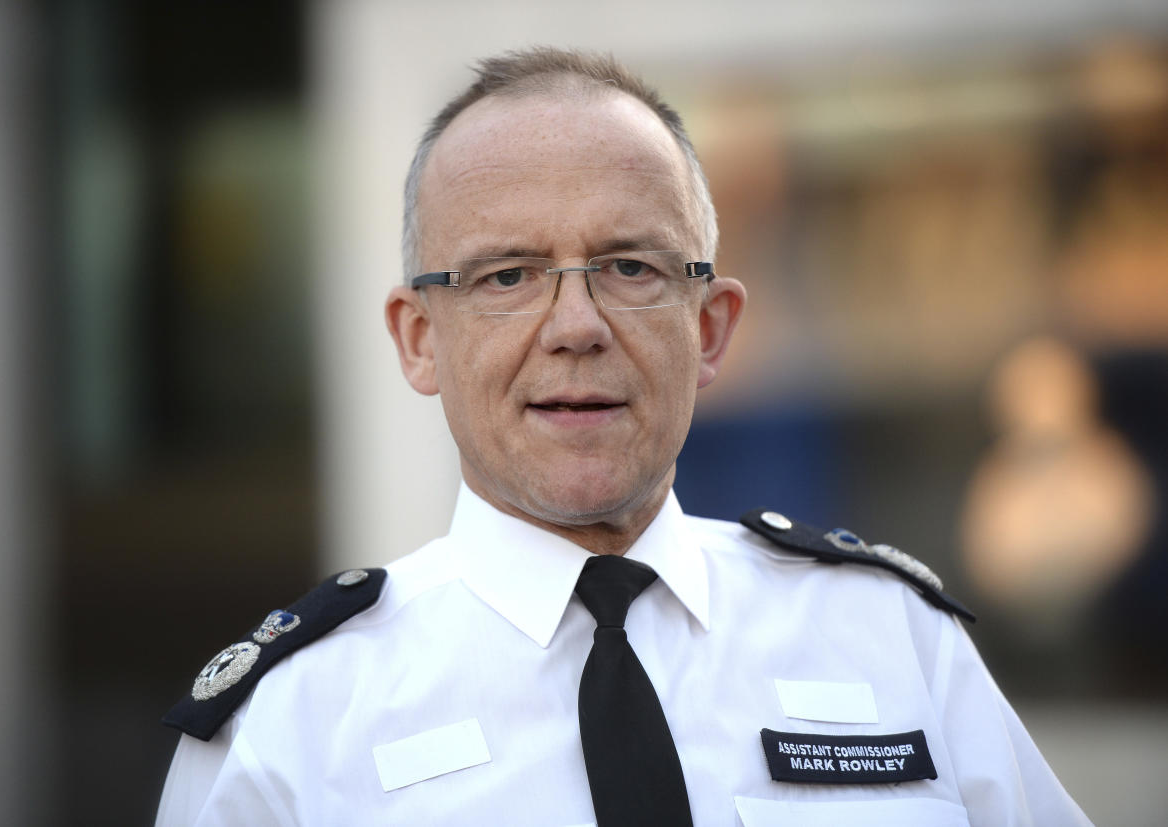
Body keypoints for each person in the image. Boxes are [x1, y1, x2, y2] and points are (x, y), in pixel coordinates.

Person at [155, 47, 1089, 826]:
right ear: (418, 338)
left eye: (630, 265)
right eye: (508, 276)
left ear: (711, 327)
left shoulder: (891, 641)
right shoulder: (291, 727)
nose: (576, 325)